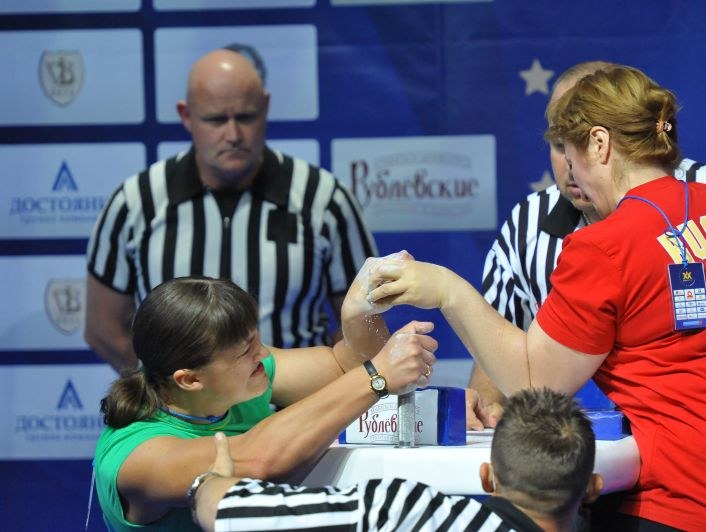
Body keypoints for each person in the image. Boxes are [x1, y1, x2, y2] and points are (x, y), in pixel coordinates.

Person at [365, 66, 706, 529]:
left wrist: (447, 289)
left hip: (694, 502)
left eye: (571, 161)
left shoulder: (604, 246)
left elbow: (534, 385)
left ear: (599, 144)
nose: (575, 184)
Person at [469, 60, 706, 427]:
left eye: (575, 143)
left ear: (601, 143)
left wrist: (448, 292)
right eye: (559, 145)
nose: (569, 164)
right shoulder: (526, 224)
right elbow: (500, 339)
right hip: (604, 446)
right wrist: (483, 401)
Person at [85, 47, 378, 373]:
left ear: (265, 107)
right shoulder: (135, 203)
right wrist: (160, 390)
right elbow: (103, 330)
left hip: (300, 405)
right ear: (186, 115)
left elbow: (365, 324)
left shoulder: (325, 199)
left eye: (246, 117)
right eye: (215, 120)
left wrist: (328, 393)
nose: (233, 135)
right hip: (176, 406)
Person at [93, 273, 437, 531]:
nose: (264, 355)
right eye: (246, 351)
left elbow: (344, 366)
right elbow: (256, 462)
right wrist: (376, 376)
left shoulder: (235, 381)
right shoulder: (136, 455)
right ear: (191, 379)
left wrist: (359, 311)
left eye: (257, 341)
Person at [189, 387, 602, 532]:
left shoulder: (406, 510)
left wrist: (210, 482)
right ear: (592, 487)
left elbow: (229, 512)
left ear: (487, 477)